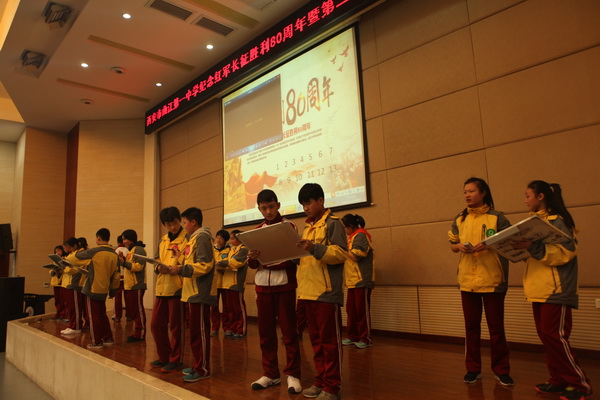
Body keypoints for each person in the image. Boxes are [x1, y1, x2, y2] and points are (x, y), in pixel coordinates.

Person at [512, 181, 593, 400]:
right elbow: (538, 254)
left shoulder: (558, 221)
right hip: (539, 287)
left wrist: (533, 247)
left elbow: (566, 253)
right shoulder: (533, 223)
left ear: (540, 196)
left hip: (557, 289)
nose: (525, 200)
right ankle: (558, 380)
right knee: (547, 337)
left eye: (527, 195)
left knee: (555, 336)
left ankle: (580, 383)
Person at [448, 177, 513, 386]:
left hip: (492, 279)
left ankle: (501, 370)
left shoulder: (497, 218)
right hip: (467, 280)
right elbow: (453, 244)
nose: (467, 195)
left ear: (483, 193)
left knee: (496, 329)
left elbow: (511, 243)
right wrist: (459, 247)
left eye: (471, 191)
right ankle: (473, 369)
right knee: (471, 328)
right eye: (465, 192)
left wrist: (490, 245)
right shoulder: (460, 219)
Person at [296, 183, 347, 400]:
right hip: (308, 291)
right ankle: (320, 381)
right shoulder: (307, 227)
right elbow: (306, 260)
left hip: (326, 292)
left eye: (308, 203)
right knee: (316, 342)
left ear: (321, 201)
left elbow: (341, 253)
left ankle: (332, 387)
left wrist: (314, 248)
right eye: (303, 205)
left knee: (329, 342)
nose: (306, 208)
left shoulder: (334, 223)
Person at [248, 189, 302, 394]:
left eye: (271, 207)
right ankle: (270, 373)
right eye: (264, 208)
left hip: (284, 285)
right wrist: (254, 258)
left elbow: (294, 257)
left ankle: (293, 374)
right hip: (263, 287)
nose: (268, 211)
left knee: (289, 332)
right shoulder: (256, 231)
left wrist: (270, 262)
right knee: (265, 333)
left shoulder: (289, 226)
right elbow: (253, 264)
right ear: (259, 209)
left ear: (278, 205)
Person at [170, 207, 218, 383]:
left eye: (184, 222)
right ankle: (198, 364)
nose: (184, 226)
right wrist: (179, 258)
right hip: (192, 292)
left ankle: (203, 368)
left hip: (200, 291)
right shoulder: (194, 239)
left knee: (200, 332)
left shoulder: (202, 237)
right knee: (195, 332)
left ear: (193, 222)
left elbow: (205, 265)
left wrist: (181, 269)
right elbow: (192, 262)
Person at [66, 228, 120, 348]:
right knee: (102, 314)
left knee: (93, 316)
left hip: (92, 288)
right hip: (104, 289)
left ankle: (96, 341)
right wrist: (112, 291)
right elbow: (116, 276)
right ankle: (108, 338)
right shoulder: (114, 254)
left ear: (98, 238)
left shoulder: (94, 252)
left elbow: (71, 259)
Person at [149, 207, 187, 373]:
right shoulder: (163, 240)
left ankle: (176, 359)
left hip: (178, 288)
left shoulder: (187, 238)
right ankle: (164, 356)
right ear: (164, 225)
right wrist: (158, 268)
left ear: (180, 220)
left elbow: (189, 261)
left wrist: (177, 267)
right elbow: (156, 260)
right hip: (161, 287)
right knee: (155, 324)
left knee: (176, 327)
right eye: (168, 224)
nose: (173, 227)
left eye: (175, 223)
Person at [341, 213, 375, 349]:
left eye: (345, 227)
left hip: (362, 279)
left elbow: (356, 256)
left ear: (350, 226)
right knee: (351, 310)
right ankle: (352, 336)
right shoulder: (352, 237)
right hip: (352, 281)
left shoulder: (361, 235)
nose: (344, 230)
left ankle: (365, 338)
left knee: (361, 311)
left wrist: (342, 249)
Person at [217, 229, 248, 339]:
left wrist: (223, 263)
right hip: (226, 283)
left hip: (236, 283)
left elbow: (235, 263)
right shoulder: (230, 250)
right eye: (230, 239)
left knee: (238, 309)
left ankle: (240, 329)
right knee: (228, 309)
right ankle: (230, 328)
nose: (231, 241)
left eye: (233, 239)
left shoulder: (244, 250)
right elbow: (226, 261)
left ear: (240, 239)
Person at [120, 229, 147, 343]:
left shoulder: (139, 249)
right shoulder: (130, 251)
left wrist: (124, 263)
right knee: (134, 310)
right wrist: (123, 261)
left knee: (138, 310)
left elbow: (139, 267)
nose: (124, 242)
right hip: (130, 285)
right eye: (123, 239)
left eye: (125, 239)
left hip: (137, 284)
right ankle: (137, 332)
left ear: (131, 239)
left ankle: (140, 333)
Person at [60, 237, 88, 335]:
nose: (67, 249)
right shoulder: (73, 254)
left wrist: (64, 267)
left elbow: (74, 270)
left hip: (76, 284)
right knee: (71, 307)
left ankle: (76, 326)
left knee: (76, 307)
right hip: (69, 283)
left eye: (69, 247)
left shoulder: (80, 255)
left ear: (75, 246)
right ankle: (72, 325)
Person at [210, 229, 230, 336]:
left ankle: (227, 328)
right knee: (214, 306)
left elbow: (230, 263)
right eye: (217, 237)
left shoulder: (229, 250)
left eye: (221, 238)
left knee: (226, 306)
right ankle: (215, 328)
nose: (218, 240)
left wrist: (223, 265)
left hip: (226, 281)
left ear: (225, 241)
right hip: (214, 282)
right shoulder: (211, 249)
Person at [112, 235, 128, 321]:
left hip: (118, 277)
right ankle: (129, 315)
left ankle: (117, 316)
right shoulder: (128, 250)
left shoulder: (115, 251)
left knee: (117, 297)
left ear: (118, 242)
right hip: (127, 277)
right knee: (127, 297)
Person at [50, 245, 66, 320]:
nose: (57, 253)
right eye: (56, 251)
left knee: (63, 300)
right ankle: (58, 313)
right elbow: (51, 269)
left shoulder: (65, 259)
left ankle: (63, 314)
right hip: (55, 281)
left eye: (59, 251)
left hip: (62, 282)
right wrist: (52, 272)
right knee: (57, 300)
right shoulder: (54, 261)